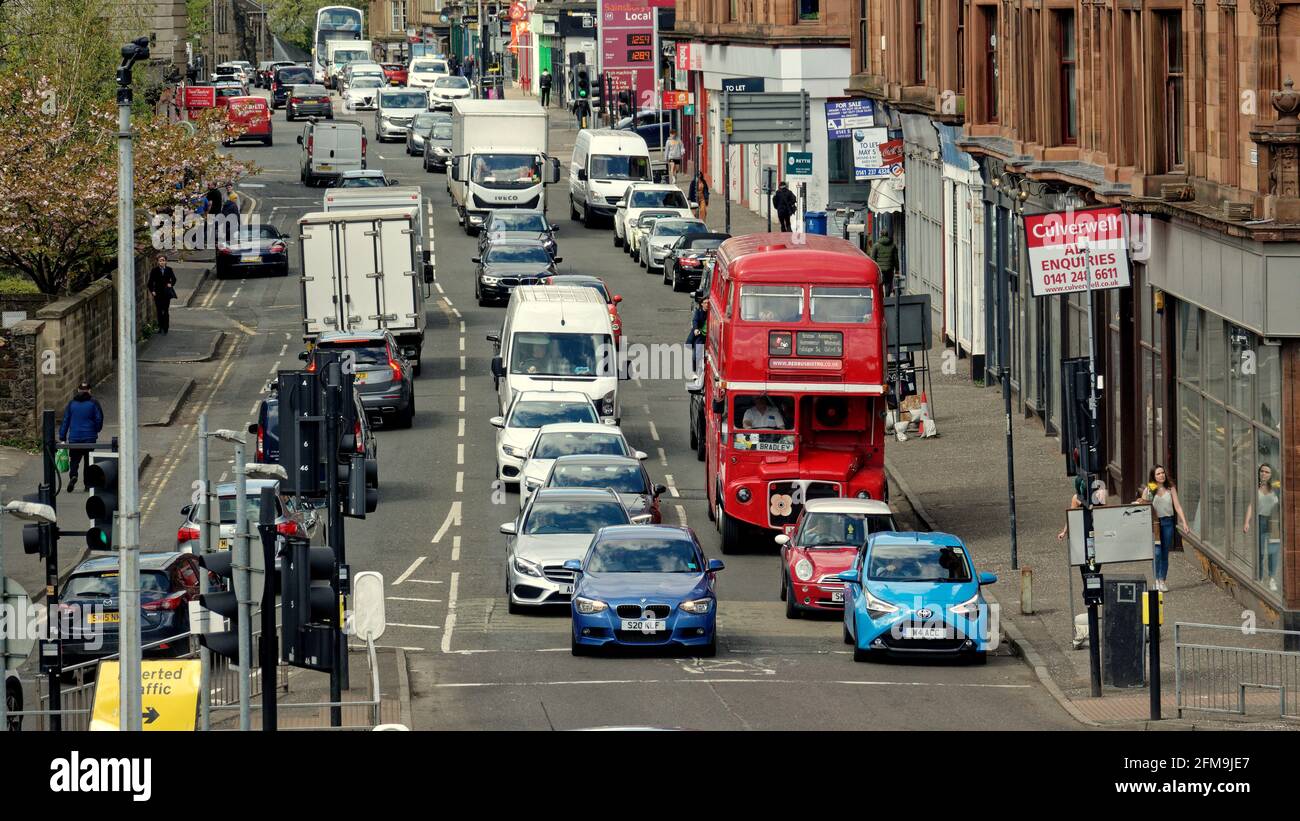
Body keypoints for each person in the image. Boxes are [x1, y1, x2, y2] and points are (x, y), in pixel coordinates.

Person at [1132, 465, 1190, 592]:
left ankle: (1162, 580)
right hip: (1155, 525)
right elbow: (1143, 504)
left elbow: (1178, 506)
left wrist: (1184, 522)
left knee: (1164, 553)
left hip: (1168, 522)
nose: (1161, 475)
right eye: (1158, 474)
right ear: (1154, 476)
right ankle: (1156, 579)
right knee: (1157, 553)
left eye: (1162, 473)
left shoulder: (1170, 488)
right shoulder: (1150, 489)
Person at [59, 382, 104, 493]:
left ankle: (73, 476)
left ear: (78, 390)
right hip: (89, 438)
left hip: (74, 438)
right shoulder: (94, 403)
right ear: (89, 390)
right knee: (88, 461)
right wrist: (96, 429)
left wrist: (62, 436)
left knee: (74, 460)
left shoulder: (71, 404)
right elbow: (99, 418)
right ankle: (87, 484)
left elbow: (66, 421)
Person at [1244, 463, 1281, 591]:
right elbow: (1251, 505)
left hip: (1274, 522)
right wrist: (1246, 522)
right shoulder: (1256, 487)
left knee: (1273, 552)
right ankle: (1259, 578)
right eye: (1262, 471)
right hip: (1260, 521)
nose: (1264, 474)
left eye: (1267, 472)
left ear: (1271, 475)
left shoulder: (1276, 486)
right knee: (1259, 552)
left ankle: (1271, 578)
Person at [148, 254, 178, 334]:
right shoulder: (154, 270)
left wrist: (171, 284)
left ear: (166, 261)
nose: (162, 262)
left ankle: (166, 327)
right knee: (159, 311)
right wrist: (153, 291)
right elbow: (150, 282)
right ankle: (160, 327)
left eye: (163, 260)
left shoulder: (169, 269)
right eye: (160, 261)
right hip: (157, 294)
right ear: (158, 262)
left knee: (165, 310)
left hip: (166, 293)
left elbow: (174, 279)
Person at [870, 230, 899, 296]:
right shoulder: (893, 245)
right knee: (888, 284)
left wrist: (874, 269)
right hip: (889, 269)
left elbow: (873, 258)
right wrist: (897, 269)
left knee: (879, 284)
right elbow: (895, 259)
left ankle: (881, 298)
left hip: (880, 270)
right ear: (887, 235)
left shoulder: (876, 246)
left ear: (881, 235)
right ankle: (887, 299)